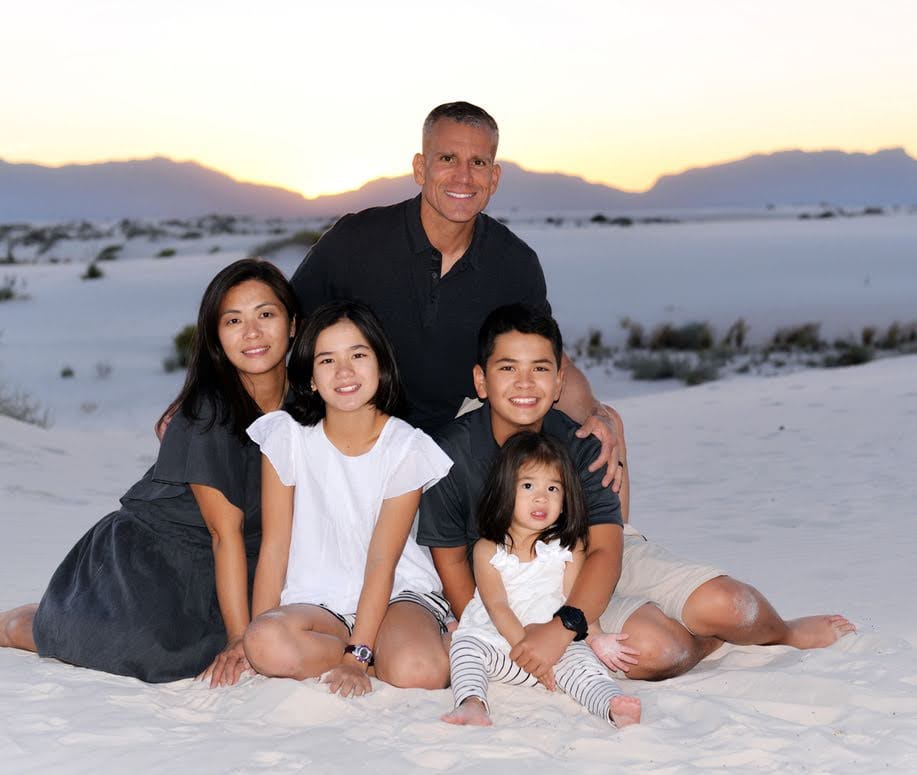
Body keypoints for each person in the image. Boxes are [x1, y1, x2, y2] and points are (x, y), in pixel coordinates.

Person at [419, 303, 856, 682]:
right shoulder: (448, 454)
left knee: (731, 605)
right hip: (515, 585)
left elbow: (606, 549)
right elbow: (452, 561)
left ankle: (783, 632)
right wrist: (490, 631)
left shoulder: (581, 442)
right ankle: (708, 643)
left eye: (540, 368)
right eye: (507, 368)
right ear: (481, 381)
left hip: (594, 563)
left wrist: (565, 625)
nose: (524, 382)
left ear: (559, 381)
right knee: (657, 651)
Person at [0, 258, 298, 686]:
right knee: (145, 652)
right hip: (158, 556)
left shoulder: (308, 401)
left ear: (293, 324)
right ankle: (22, 623)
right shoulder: (208, 414)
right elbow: (223, 534)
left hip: (249, 561)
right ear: (216, 337)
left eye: (265, 314)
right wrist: (238, 638)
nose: (251, 332)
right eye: (233, 320)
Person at [290, 100, 622, 491]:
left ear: (494, 178)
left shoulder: (514, 263)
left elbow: (548, 359)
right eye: (448, 158)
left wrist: (596, 412)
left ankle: (613, 532)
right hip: (353, 431)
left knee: (605, 430)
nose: (463, 177)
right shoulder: (356, 240)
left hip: (454, 439)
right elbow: (285, 327)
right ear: (420, 168)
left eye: (478, 163)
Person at [242, 301, 453, 697]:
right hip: (318, 602)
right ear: (310, 378)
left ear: (381, 364)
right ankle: (374, 653)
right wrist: (257, 635)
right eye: (327, 360)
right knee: (265, 643)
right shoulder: (288, 437)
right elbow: (274, 547)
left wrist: (356, 658)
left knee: (418, 672)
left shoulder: (405, 446)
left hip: (396, 592)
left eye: (358, 355)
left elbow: (382, 560)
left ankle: (415, 639)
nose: (344, 372)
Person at [442, 431, 641, 728]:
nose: (541, 497)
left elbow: (576, 601)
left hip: (555, 648)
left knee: (583, 665)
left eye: (552, 488)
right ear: (504, 490)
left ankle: (612, 705)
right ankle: (472, 703)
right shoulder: (488, 549)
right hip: (504, 646)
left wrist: (596, 637)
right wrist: (528, 652)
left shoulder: (569, 547)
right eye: (527, 485)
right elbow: (497, 606)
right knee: (465, 647)